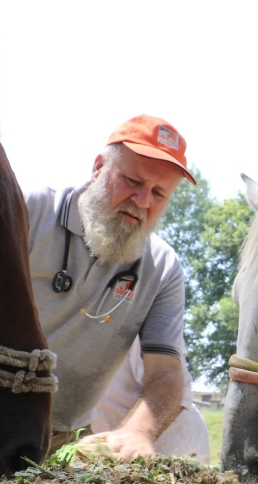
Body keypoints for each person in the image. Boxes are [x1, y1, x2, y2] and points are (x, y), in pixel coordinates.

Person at [26, 115, 206, 462]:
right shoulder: (31, 212)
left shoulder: (163, 269)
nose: (141, 201)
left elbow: (166, 373)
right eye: (132, 180)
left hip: (57, 443)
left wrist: (137, 432)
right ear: (98, 168)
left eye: (158, 193)